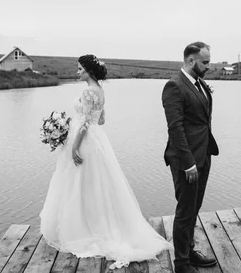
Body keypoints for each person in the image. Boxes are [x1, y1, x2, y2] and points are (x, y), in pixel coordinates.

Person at [40, 54, 172, 270]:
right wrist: (74, 125)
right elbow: (100, 120)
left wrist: (74, 145)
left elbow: (84, 123)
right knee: (95, 184)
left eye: (80, 69)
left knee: (80, 183)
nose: (77, 72)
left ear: (89, 72)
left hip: (85, 141)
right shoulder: (100, 91)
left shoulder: (87, 91)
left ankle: (83, 228)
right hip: (97, 139)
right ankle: (95, 224)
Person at [161, 42, 220, 273]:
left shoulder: (200, 84)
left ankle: (189, 250)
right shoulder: (173, 86)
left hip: (203, 154)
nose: (208, 66)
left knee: (194, 207)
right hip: (186, 160)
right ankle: (182, 264)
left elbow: (200, 119)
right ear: (191, 61)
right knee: (185, 210)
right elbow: (175, 128)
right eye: (205, 62)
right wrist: (188, 164)